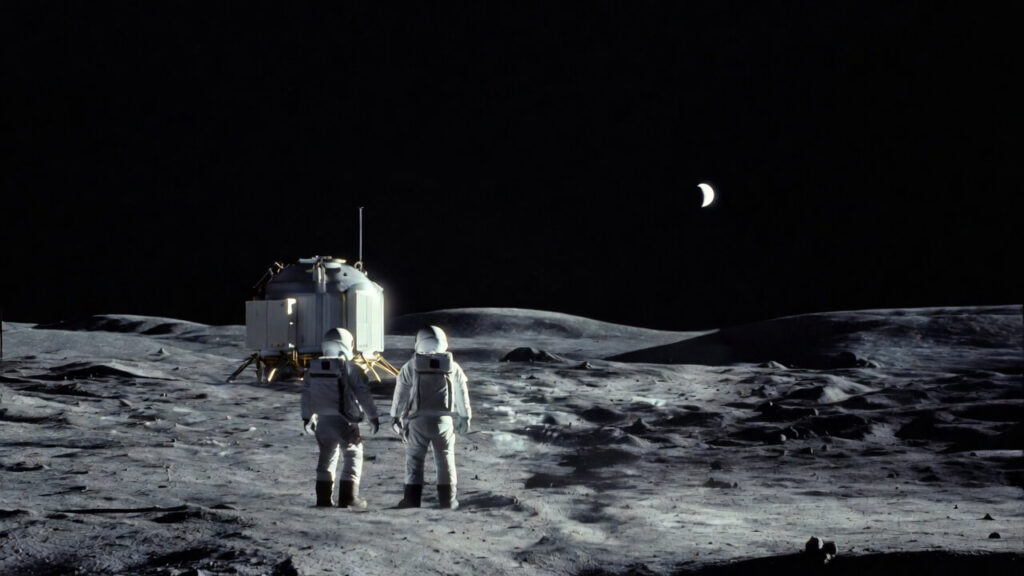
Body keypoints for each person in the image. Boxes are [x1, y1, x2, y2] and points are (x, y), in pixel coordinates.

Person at [390, 325, 472, 509]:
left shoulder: (410, 366)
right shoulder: (453, 367)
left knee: (414, 460)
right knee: (445, 460)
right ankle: (448, 500)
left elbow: (400, 394)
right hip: (444, 422)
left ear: (418, 343)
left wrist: (395, 417)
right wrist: (465, 417)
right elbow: (462, 394)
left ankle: (411, 500)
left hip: (417, 422)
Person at [301, 327, 380, 508]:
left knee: (326, 457)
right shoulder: (351, 369)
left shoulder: (313, 369)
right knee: (352, 454)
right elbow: (364, 395)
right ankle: (349, 498)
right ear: (347, 345)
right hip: (345, 421)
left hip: (323, 422)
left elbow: (307, 396)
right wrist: (373, 417)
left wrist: (307, 418)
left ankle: (323, 499)